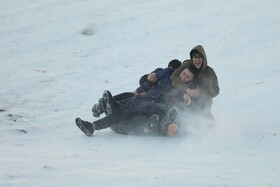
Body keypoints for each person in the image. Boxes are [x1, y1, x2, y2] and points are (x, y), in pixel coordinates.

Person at [75, 64, 199, 137]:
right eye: (183, 73)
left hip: (156, 110)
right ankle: (99, 117)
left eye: (187, 77)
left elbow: (187, 106)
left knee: (137, 105)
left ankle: (100, 115)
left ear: (190, 80)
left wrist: (187, 99)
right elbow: (146, 80)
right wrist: (149, 77)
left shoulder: (185, 90)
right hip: (145, 102)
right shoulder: (168, 77)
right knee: (131, 103)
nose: (183, 77)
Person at [92, 59, 182, 117]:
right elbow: (143, 81)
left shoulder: (175, 83)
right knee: (130, 95)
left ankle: (104, 105)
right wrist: (148, 77)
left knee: (131, 98)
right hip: (145, 94)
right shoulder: (161, 71)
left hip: (148, 98)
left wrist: (142, 90)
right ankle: (105, 104)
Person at [171, 45, 219, 120]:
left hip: (204, 102)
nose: (197, 60)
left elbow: (216, 90)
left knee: (204, 116)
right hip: (185, 97)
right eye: (195, 58)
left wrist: (199, 92)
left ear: (203, 59)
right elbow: (174, 77)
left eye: (199, 58)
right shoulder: (187, 65)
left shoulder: (210, 72)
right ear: (192, 58)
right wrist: (187, 90)